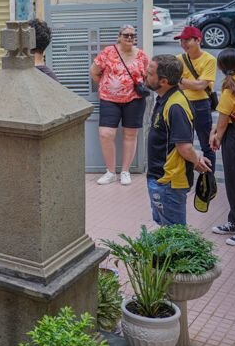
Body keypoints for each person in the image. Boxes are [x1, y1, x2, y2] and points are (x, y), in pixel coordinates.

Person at [144, 55, 211, 227]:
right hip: (160, 179)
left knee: (174, 233)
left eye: (150, 73)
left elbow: (184, 147)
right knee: (164, 226)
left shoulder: (176, 106)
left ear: (164, 81)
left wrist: (196, 160)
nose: (145, 75)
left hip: (169, 182)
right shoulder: (165, 99)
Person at [90, 25, 150, 186]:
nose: (130, 38)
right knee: (105, 134)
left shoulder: (142, 56)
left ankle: (125, 171)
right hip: (109, 99)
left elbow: (148, 76)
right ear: (119, 36)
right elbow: (94, 72)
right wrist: (107, 85)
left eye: (132, 35)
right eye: (126, 35)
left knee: (130, 135)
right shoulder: (108, 52)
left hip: (135, 100)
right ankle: (110, 172)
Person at [210, 48, 235, 246]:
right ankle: (234, 221)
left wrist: (217, 136)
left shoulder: (230, 87)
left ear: (220, 67)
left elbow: (222, 119)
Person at [176, 26, 217, 175]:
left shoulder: (210, 60)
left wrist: (182, 80)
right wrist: (190, 83)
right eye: (181, 41)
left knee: (206, 144)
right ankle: (185, 174)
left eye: (187, 40)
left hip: (201, 105)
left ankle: (209, 178)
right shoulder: (179, 59)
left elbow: (201, 85)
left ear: (198, 40)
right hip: (182, 105)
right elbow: (175, 84)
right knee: (183, 143)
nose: (184, 44)